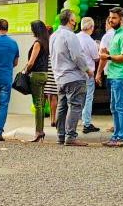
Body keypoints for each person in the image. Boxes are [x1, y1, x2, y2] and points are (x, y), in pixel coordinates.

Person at [50, 9, 93, 146]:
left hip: (60, 77)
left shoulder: (54, 36)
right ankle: (71, 136)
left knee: (62, 107)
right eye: (74, 20)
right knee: (75, 106)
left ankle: (60, 136)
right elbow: (77, 56)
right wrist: (87, 70)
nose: (75, 22)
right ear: (71, 21)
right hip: (74, 76)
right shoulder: (70, 35)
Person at [97, 7, 123, 147]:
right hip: (113, 76)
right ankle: (116, 136)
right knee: (114, 107)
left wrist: (108, 56)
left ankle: (122, 138)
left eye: (114, 18)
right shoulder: (116, 34)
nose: (111, 20)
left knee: (121, 107)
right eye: (110, 18)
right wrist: (107, 53)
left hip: (121, 76)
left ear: (121, 18)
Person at [23, 20, 50, 142]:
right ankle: (40, 130)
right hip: (44, 74)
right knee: (41, 104)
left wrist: (25, 71)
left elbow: (31, 62)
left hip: (36, 75)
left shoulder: (37, 43)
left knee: (38, 104)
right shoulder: (46, 42)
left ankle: (38, 131)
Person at [77, 16, 101, 134]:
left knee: (75, 98)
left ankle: (73, 122)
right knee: (88, 98)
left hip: (75, 73)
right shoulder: (90, 41)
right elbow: (96, 58)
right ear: (91, 27)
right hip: (88, 73)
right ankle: (86, 123)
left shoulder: (75, 38)